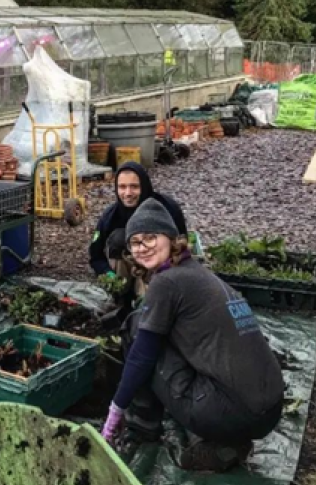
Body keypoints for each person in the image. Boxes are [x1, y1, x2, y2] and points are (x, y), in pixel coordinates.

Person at [101, 199, 284, 472]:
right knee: (159, 332)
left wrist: (116, 410)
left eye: (151, 237)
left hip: (233, 411)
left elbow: (141, 356)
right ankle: (226, 443)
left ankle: (143, 426)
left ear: (172, 239)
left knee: (135, 327)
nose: (143, 247)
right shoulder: (198, 274)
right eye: (136, 242)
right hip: (269, 409)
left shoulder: (167, 282)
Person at [89, 161, 188, 298]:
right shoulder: (110, 217)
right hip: (124, 272)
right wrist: (108, 274)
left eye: (134, 186)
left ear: (145, 186)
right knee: (118, 238)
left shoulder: (168, 208)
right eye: (122, 187)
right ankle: (122, 296)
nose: (128, 193)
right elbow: (95, 256)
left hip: (159, 271)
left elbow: (182, 248)